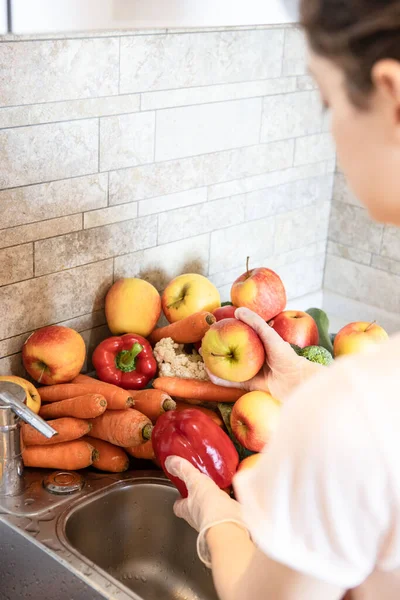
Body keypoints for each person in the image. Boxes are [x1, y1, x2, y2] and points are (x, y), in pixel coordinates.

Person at [164, 2, 400, 599]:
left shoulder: (358, 412)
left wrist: (218, 519)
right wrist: (310, 390)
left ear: (392, 97)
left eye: (328, 102)